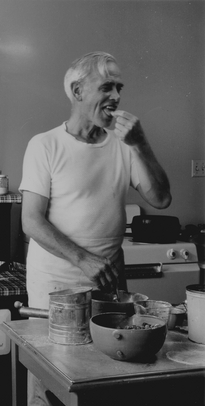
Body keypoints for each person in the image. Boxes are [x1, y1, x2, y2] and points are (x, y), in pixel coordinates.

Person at [19, 51, 171, 406]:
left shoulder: (125, 145)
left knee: (103, 382)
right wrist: (84, 259)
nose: (117, 97)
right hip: (54, 289)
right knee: (51, 384)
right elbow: (31, 220)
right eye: (107, 86)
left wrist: (141, 143)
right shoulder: (45, 145)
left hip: (107, 288)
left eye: (119, 87)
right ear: (77, 91)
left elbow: (161, 198)